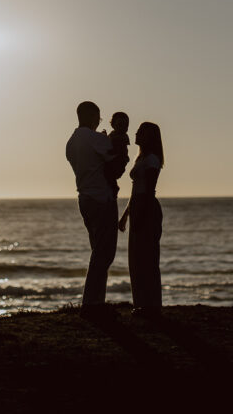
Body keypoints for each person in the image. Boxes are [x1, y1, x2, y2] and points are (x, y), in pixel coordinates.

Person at [66, 100, 119, 308]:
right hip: (101, 198)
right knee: (104, 253)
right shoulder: (95, 139)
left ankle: (97, 301)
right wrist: (108, 139)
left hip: (85, 198)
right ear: (92, 116)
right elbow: (114, 161)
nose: (99, 121)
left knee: (97, 250)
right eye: (98, 117)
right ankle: (91, 303)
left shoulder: (71, 142)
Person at [119, 121, 164, 312]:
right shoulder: (140, 159)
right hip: (138, 205)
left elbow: (148, 190)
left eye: (141, 132)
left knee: (147, 258)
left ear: (150, 137)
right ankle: (141, 303)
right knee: (136, 259)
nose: (136, 134)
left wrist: (141, 214)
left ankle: (151, 304)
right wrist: (126, 214)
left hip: (147, 207)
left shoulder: (152, 159)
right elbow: (135, 190)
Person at [106, 111, 130, 199]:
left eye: (126, 125)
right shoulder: (113, 135)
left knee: (111, 176)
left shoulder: (122, 137)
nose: (123, 127)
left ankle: (113, 188)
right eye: (120, 124)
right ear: (113, 125)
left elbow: (112, 149)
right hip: (114, 161)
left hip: (118, 161)